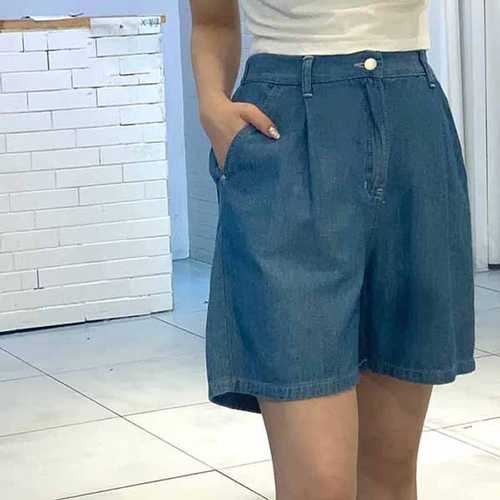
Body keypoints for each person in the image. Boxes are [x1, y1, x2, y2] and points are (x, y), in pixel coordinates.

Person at [189, 1, 476, 499]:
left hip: (412, 125)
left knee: (388, 474)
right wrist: (211, 103)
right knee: (318, 485)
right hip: (284, 128)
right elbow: (212, 20)